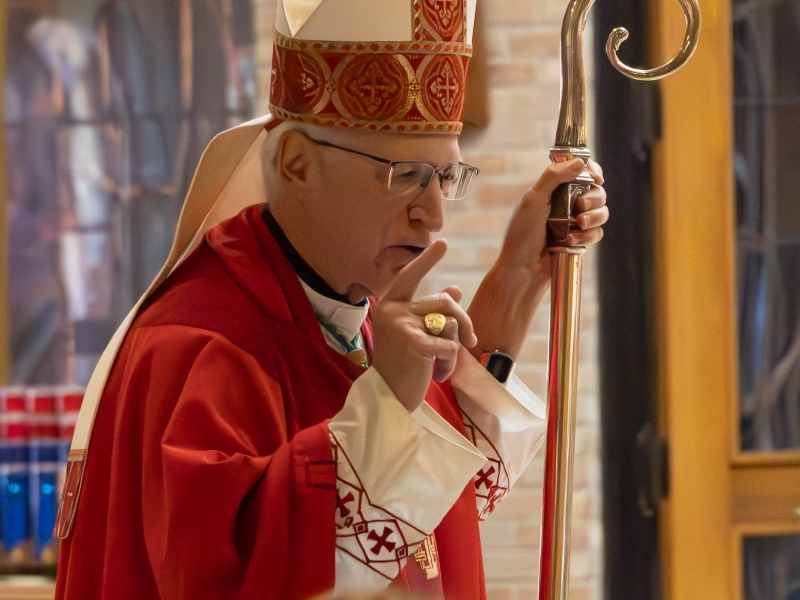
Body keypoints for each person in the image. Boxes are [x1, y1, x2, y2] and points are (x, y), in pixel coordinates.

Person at [54, 1, 608, 598]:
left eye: (445, 176)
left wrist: (520, 276)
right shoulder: (196, 346)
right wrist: (390, 399)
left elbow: (428, 505)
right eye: (405, 175)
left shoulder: (344, 314)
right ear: (296, 163)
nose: (434, 213)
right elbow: (243, 576)